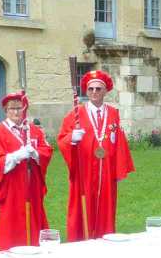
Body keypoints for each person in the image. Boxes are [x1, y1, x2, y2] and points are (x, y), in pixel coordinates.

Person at [56, 69, 134, 241]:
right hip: (84, 171)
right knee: (82, 209)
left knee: (106, 208)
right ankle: (81, 242)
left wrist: (119, 169)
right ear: (86, 91)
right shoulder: (76, 114)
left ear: (105, 91)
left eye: (98, 89)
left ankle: (104, 240)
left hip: (106, 172)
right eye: (91, 89)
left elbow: (119, 141)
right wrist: (72, 138)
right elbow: (62, 140)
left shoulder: (113, 113)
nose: (94, 92)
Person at [0, 92, 53, 250]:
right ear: (6, 111)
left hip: (32, 188)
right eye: (12, 109)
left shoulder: (33, 130)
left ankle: (35, 250)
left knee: (34, 222)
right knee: (13, 225)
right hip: (12, 190)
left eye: (19, 108)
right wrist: (16, 156)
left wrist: (35, 153)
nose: (16, 112)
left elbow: (47, 150)